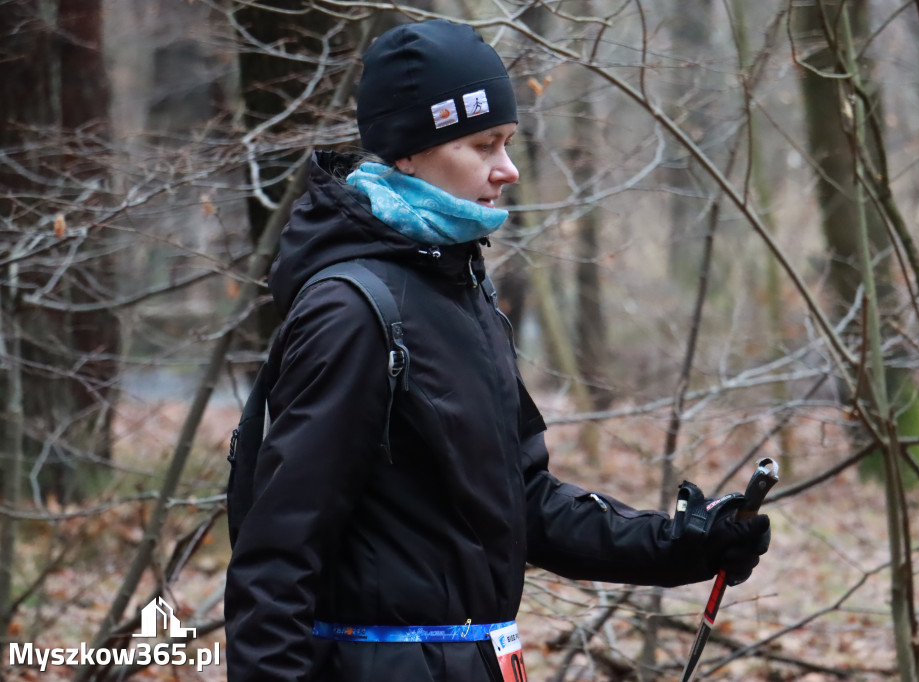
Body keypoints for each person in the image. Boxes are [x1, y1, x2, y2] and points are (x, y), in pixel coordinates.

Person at [224, 19, 770, 682]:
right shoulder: (353, 311)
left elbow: (523, 502)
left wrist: (683, 545)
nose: (508, 169)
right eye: (484, 145)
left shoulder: (461, 289)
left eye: (507, 143)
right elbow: (277, 557)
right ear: (407, 152)